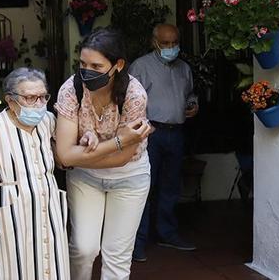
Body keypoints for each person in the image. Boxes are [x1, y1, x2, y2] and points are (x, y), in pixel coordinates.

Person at [54, 28, 153, 280]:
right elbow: (63, 155)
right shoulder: (71, 89)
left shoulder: (134, 94)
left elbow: (122, 159)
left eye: (97, 66)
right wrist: (120, 140)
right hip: (85, 178)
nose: (88, 71)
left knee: (117, 255)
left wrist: (83, 151)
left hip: (129, 177)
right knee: (83, 249)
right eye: (83, 64)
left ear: (117, 65)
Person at [0, 67, 70, 280]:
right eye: (29, 98)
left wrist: (86, 139)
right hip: (8, 220)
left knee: (51, 270)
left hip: (48, 215)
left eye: (42, 97)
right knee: (11, 271)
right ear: (10, 100)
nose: (38, 104)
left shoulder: (48, 120)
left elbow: (64, 149)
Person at [130, 23, 198, 262]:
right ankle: (136, 242)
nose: (171, 48)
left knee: (170, 187)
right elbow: (129, 102)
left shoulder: (184, 68)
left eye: (174, 43)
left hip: (176, 132)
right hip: (151, 133)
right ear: (155, 43)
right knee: (143, 187)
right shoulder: (140, 67)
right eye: (166, 43)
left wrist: (192, 104)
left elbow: (189, 94)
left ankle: (166, 234)